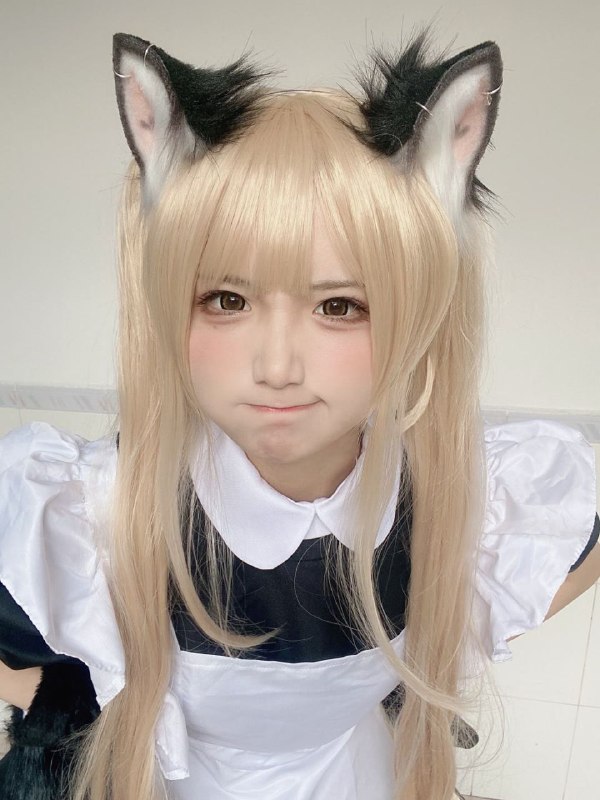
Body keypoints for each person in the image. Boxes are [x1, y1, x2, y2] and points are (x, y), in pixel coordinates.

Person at [0, 29, 598, 800]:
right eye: (227, 299)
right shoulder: (91, 512)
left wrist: (432, 648)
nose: (277, 365)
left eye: (339, 306)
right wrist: (75, 698)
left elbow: (574, 538)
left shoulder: (460, 498)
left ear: (418, 312)